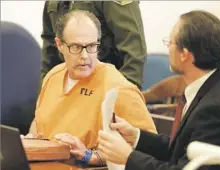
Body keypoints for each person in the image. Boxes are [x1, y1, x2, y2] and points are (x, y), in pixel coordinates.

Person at [98, 10, 220, 170]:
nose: (168, 49)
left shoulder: (215, 107)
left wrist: (128, 157)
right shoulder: (209, 88)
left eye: (170, 43)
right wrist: (136, 136)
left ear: (184, 54)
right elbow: (180, 150)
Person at [26, 10, 156, 165]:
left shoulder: (118, 88)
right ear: (59, 45)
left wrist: (89, 155)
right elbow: (39, 122)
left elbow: (147, 153)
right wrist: (29, 142)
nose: (85, 56)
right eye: (76, 47)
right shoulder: (53, 76)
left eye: (92, 46)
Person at [41, 1, 147, 88]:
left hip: (107, 88)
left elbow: (134, 52)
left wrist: (121, 96)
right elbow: (50, 49)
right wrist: (46, 91)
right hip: (70, 92)